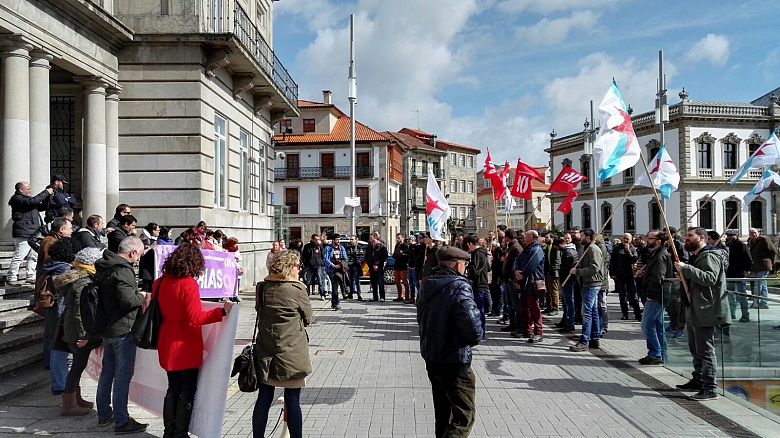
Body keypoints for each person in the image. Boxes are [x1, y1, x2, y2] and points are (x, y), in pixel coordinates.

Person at [155, 243, 234, 437]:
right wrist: (221, 311)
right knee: (187, 391)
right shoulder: (188, 283)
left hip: (166, 340)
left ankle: (169, 431)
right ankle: (181, 433)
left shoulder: (161, 281)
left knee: (172, 389)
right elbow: (195, 318)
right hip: (185, 344)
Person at [417, 246, 483, 438]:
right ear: (457, 264)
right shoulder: (458, 286)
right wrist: (475, 336)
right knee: (464, 416)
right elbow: (472, 326)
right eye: (465, 264)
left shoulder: (427, 284)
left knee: (443, 415)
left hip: (433, 356)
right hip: (454, 359)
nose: (465, 268)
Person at [252, 250, 313, 438]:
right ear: (288, 267)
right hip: (292, 352)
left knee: (264, 397)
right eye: (296, 265)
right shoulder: (297, 289)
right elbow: (308, 318)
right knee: (292, 399)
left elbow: (258, 311)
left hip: (266, 351)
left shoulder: (262, 287)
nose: (299, 268)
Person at [95, 236, 149, 433]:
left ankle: (104, 414)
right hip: (122, 329)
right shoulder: (122, 270)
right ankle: (121, 420)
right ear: (132, 253)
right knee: (122, 375)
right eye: (139, 255)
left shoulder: (105, 265)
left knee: (107, 372)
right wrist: (141, 296)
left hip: (108, 327)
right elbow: (128, 301)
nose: (138, 260)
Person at [674, 227, 730, 400]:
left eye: (690, 236)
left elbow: (709, 278)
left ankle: (710, 387)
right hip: (695, 307)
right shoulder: (698, 256)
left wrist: (687, 269)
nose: (686, 239)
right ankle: (698, 379)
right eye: (686, 236)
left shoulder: (709, 256)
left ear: (702, 238)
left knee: (705, 349)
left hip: (706, 309)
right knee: (695, 348)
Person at [53, 247, 104, 416]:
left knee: (77, 364)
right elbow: (80, 312)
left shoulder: (78, 278)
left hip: (72, 328)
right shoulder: (83, 283)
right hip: (77, 331)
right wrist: (84, 335)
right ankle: (69, 405)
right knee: (77, 366)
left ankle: (75, 398)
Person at [43, 236, 77, 397]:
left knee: (58, 347)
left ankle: (60, 383)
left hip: (56, 308)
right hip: (62, 309)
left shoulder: (53, 266)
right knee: (60, 348)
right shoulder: (63, 269)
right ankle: (60, 384)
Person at [637, 231, 673, 366]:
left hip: (656, 296)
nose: (647, 240)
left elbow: (658, 278)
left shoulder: (660, 256)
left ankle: (656, 353)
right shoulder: (656, 254)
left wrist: (650, 294)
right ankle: (660, 353)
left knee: (647, 324)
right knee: (657, 325)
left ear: (658, 241)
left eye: (650, 238)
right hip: (657, 295)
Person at [7, 181, 52, 285]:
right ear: (20, 190)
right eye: (28, 189)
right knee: (20, 255)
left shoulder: (27, 201)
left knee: (33, 255)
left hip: (32, 232)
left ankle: (30, 275)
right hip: (24, 232)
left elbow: (39, 206)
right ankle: (12, 276)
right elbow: (33, 202)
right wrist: (46, 192)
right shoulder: (18, 199)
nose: (30, 191)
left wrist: (47, 199)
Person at [569, 229, 603, 352]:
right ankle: (594, 338)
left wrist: (578, 271)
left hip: (592, 283)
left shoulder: (593, 249)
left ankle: (584, 341)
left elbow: (595, 267)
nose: (580, 237)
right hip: (588, 283)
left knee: (587, 313)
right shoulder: (587, 248)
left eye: (582, 235)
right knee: (592, 312)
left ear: (587, 236)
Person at [513, 230, 545, 343]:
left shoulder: (537, 249)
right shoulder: (527, 248)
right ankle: (527, 330)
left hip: (532, 282)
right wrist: (516, 270)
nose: (524, 237)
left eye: (526, 235)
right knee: (525, 307)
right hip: (525, 282)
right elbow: (518, 260)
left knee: (534, 308)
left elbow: (531, 264)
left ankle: (538, 332)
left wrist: (521, 274)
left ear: (531, 237)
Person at [610, 233, 641, 321]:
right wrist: (612, 273)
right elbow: (612, 261)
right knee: (622, 296)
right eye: (624, 238)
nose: (625, 240)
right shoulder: (617, 248)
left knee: (634, 296)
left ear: (631, 239)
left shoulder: (632, 248)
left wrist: (628, 251)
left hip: (629, 275)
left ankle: (637, 314)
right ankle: (625, 314)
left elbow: (634, 259)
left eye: (627, 238)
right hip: (619, 275)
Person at [465, 234, 490, 336]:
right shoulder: (483, 253)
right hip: (482, 283)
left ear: (471, 244)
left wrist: (468, 266)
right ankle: (480, 332)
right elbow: (488, 268)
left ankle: (480, 332)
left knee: (478, 310)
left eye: (468, 245)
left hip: (479, 284)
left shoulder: (477, 254)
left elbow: (475, 271)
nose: (468, 248)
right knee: (479, 309)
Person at [724, 230, 751, 323]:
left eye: (732, 235)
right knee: (730, 296)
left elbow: (749, 260)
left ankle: (745, 315)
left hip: (739, 274)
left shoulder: (742, 246)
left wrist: (746, 270)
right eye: (728, 235)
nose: (729, 237)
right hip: (730, 274)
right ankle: (732, 314)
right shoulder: (728, 246)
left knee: (742, 295)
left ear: (736, 235)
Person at [555, 235, 579, 333]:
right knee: (566, 302)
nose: (557, 249)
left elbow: (566, 268)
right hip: (568, 279)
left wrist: (561, 279)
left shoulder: (568, 253)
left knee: (569, 302)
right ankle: (565, 321)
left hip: (568, 279)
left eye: (557, 247)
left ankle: (569, 324)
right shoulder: (570, 250)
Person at [747, 227, 775, 310]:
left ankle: (756, 302)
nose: (754, 234)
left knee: (758, 284)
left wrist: (771, 261)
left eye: (755, 232)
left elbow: (772, 251)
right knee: (763, 284)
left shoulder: (763, 239)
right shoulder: (750, 241)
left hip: (764, 264)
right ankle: (764, 302)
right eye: (752, 233)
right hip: (756, 266)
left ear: (758, 233)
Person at [301, 234, 329, 299]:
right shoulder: (307, 246)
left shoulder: (319, 246)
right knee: (307, 281)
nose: (317, 241)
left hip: (318, 265)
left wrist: (321, 263)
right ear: (312, 239)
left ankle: (322, 294)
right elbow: (304, 256)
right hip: (310, 266)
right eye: (316, 239)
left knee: (320, 280)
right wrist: (306, 264)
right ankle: (307, 294)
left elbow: (323, 255)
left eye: (318, 239)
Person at [323, 235, 348, 310]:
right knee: (335, 286)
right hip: (332, 270)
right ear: (333, 240)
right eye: (337, 240)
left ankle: (334, 302)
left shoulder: (341, 248)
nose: (338, 241)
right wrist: (333, 265)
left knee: (340, 284)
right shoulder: (328, 248)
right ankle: (336, 303)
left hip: (340, 269)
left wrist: (341, 263)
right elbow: (325, 258)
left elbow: (345, 257)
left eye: (339, 240)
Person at [365, 235, 388, 302]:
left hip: (379, 267)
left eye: (373, 240)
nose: (372, 242)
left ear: (377, 239)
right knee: (373, 282)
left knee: (380, 282)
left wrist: (377, 264)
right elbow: (367, 256)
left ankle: (382, 297)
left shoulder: (382, 247)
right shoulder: (369, 246)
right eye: (371, 241)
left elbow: (385, 256)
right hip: (371, 267)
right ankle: (375, 297)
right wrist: (370, 264)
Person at [543, 232, 561, 316]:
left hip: (553, 272)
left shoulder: (555, 246)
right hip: (547, 272)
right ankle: (549, 307)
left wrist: (553, 270)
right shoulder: (547, 247)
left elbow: (557, 260)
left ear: (552, 238)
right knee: (548, 291)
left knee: (554, 291)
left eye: (547, 237)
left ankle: (555, 308)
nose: (545, 239)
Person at [346, 235, 366, 301]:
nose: (351, 241)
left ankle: (359, 294)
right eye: (350, 239)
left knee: (357, 281)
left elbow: (362, 257)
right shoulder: (348, 248)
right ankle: (350, 294)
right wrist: (348, 263)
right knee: (350, 281)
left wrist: (359, 261)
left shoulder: (360, 247)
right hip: (350, 266)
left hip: (356, 266)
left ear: (356, 240)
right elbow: (346, 256)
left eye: (352, 239)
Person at [392, 233, 410, 302]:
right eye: (397, 238)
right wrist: (396, 254)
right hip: (397, 265)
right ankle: (400, 296)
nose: (397, 239)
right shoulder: (397, 245)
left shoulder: (405, 246)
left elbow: (408, 255)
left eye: (399, 238)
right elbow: (394, 255)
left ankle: (407, 296)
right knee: (397, 282)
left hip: (403, 266)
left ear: (402, 238)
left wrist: (402, 254)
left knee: (405, 282)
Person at [405, 235, 418, 304]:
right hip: (410, 266)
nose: (408, 241)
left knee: (415, 282)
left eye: (409, 240)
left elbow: (416, 257)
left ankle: (415, 298)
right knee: (411, 283)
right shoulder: (409, 247)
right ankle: (412, 297)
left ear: (413, 240)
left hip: (414, 267)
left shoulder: (416, 246)